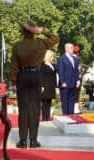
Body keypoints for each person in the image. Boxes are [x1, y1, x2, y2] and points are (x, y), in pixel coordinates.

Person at [10, 20, 59, 149]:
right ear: (34, 32)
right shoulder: (41, 43)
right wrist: (43, 31)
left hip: (22, 76)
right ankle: (33, 140)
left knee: (23, 109)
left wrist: (14, 82)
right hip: (36, 76)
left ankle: (22, 141)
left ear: (23, 31)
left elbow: (14, 66)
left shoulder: (17, 46)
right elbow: (56, 38)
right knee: (35, 109)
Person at [58, 42, 80, 115]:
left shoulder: (75, 59)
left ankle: (71, 116)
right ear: (66, 49)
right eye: (71, 48)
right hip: (65, 84)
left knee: (72, 101)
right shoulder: (62, 58)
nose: (72, 49)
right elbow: (61, 71)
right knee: (65, 101)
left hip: (73, 83)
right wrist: (63, 81)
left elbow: (76, 71)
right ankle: (65, 117)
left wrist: (78, 80)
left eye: (72, 48)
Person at [40, 50, 58, 121]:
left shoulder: (53, 65)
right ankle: (44, 118)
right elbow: (41, 75)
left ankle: (47, 117)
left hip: (51, 86)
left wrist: (56, 86)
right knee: (45, 103)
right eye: (52, 56)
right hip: (45, 86)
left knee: (49, 102)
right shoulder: (42, 65)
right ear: (48, 56)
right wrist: (41, 86)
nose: (53, 58)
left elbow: (55, 76)